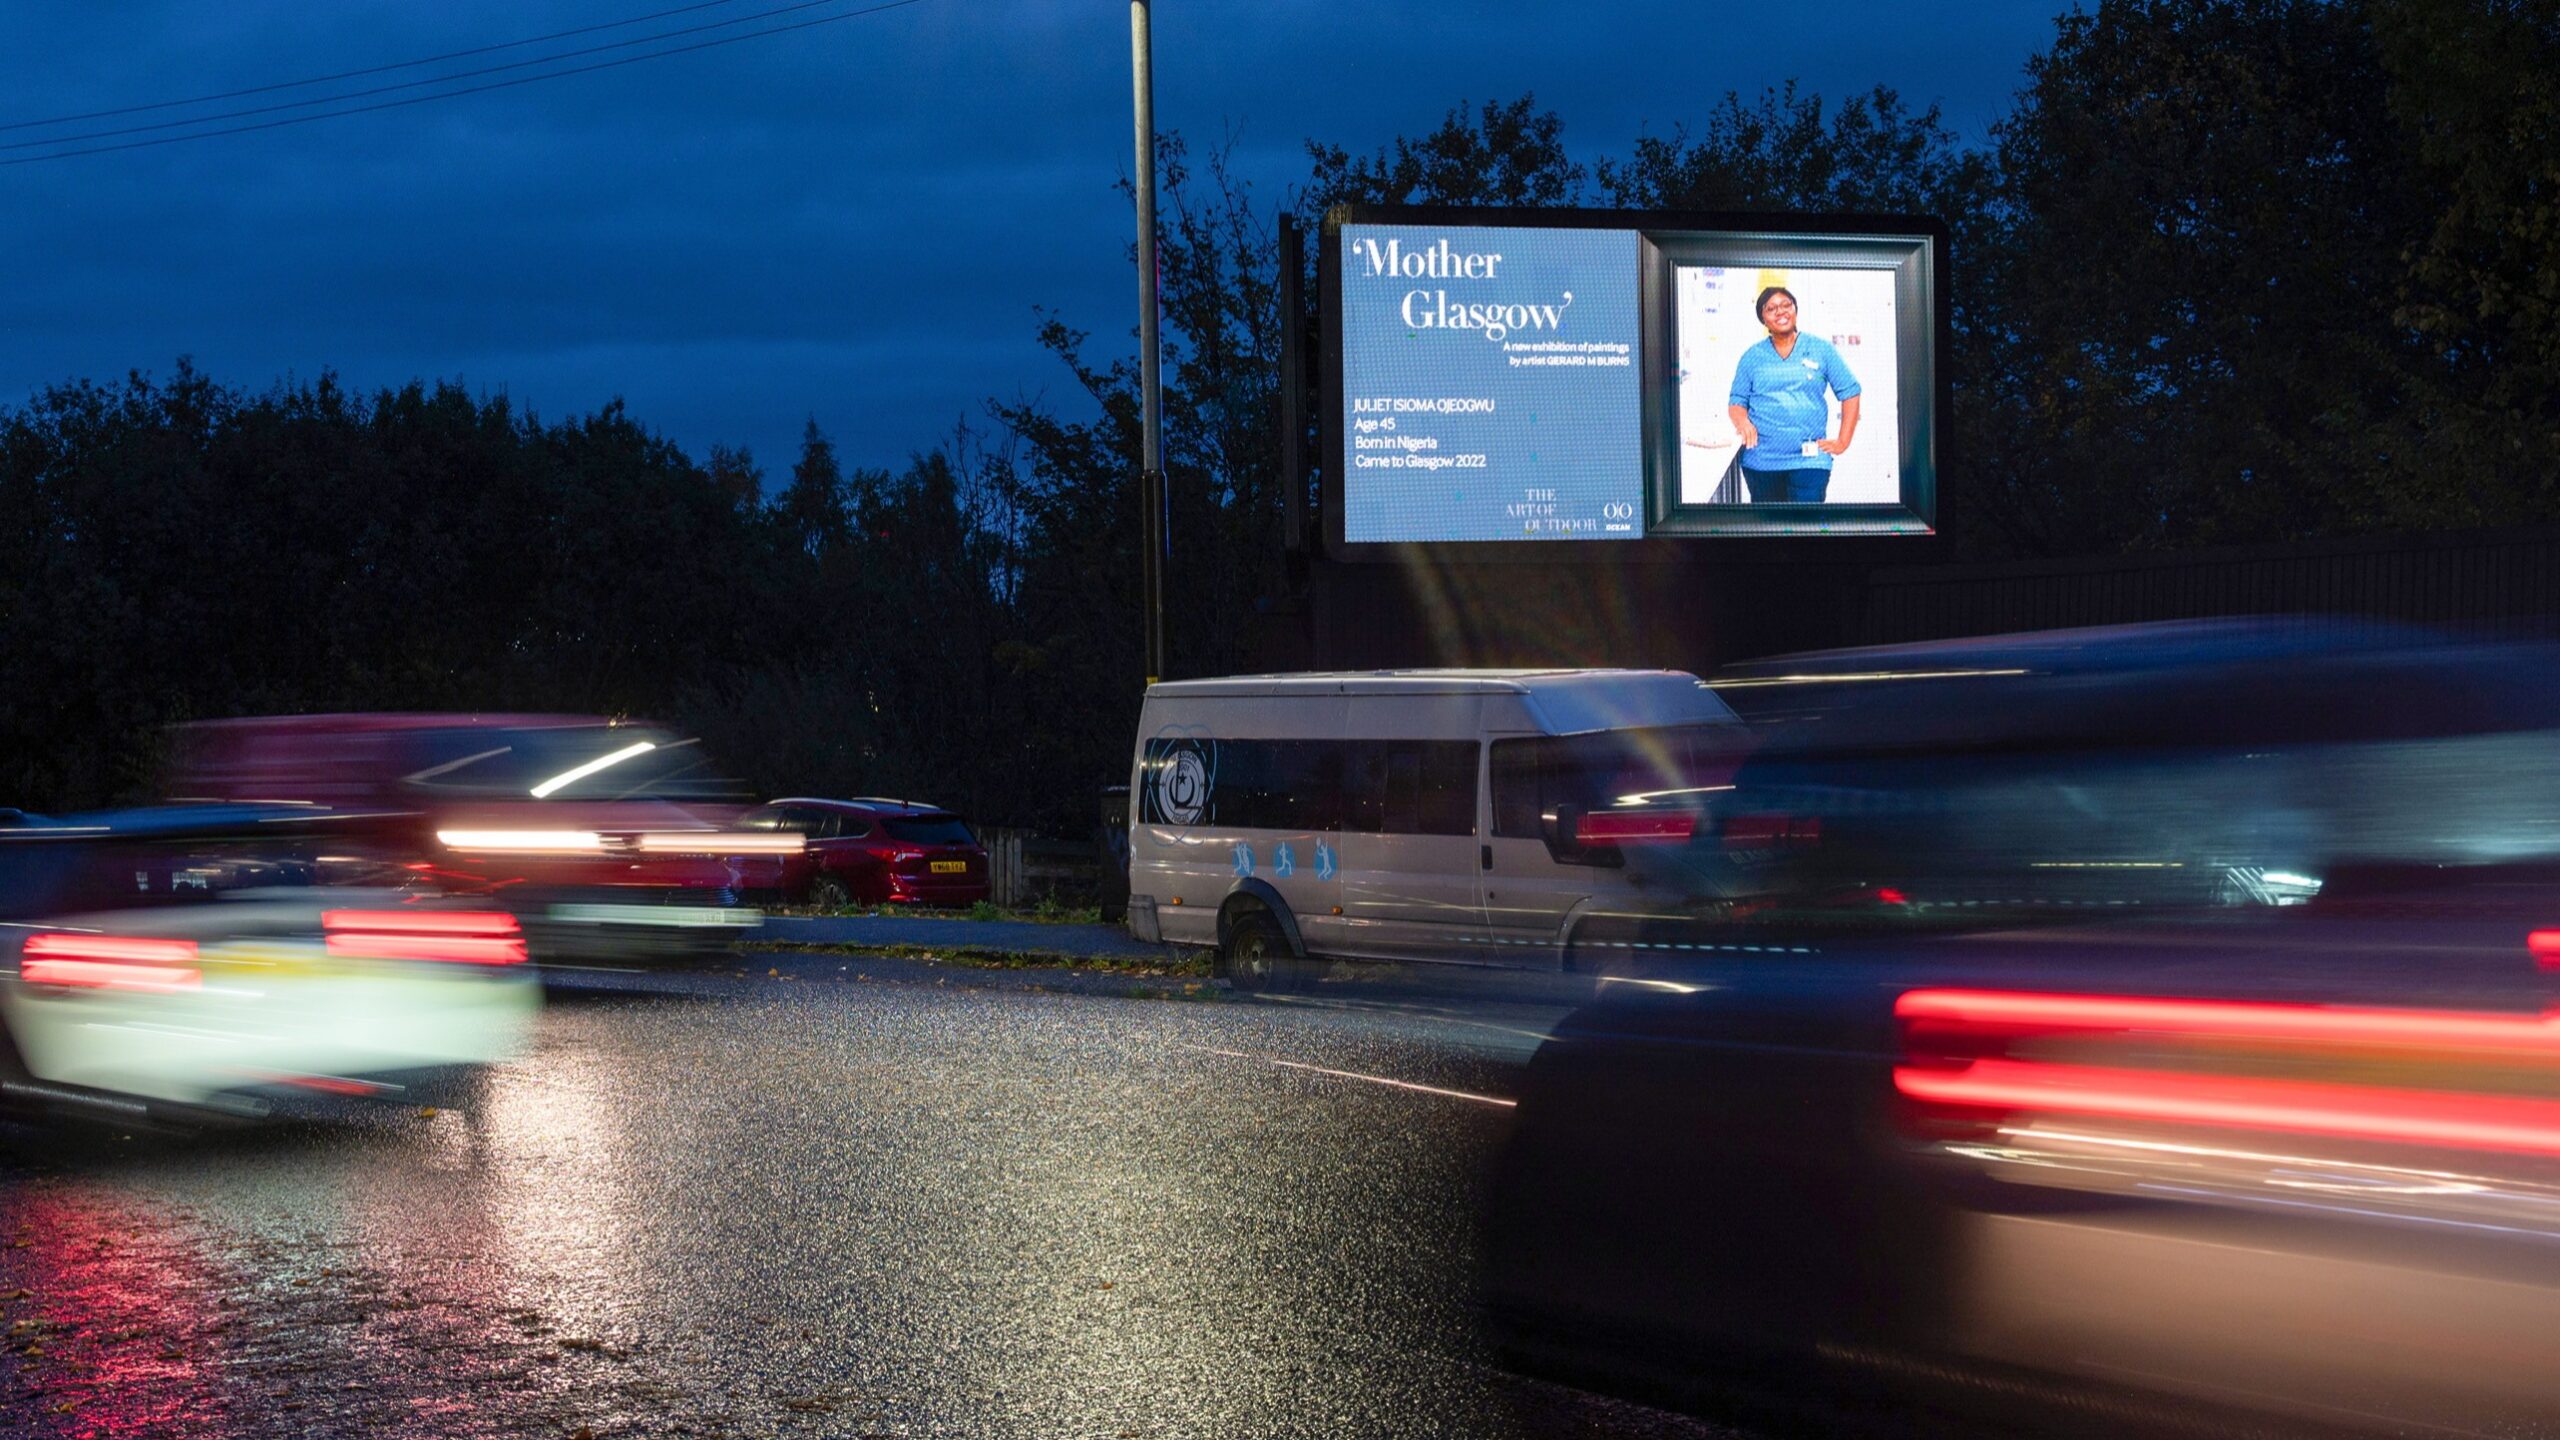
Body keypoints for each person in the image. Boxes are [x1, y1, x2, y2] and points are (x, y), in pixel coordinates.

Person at [1726, 286, 1861, 503]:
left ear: (1795, 309)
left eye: (1786, 305)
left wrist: (1843, 441)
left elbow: (1851, 391)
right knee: (1770, 532)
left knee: (1805, 529)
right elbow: (1736, 401)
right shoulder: (1752, 357)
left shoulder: (1821, 349)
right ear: (1763, 319)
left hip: (1810, 461)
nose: (1780, 312)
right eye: (1771, 309)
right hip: (1762, 461)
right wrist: (1742, 421)